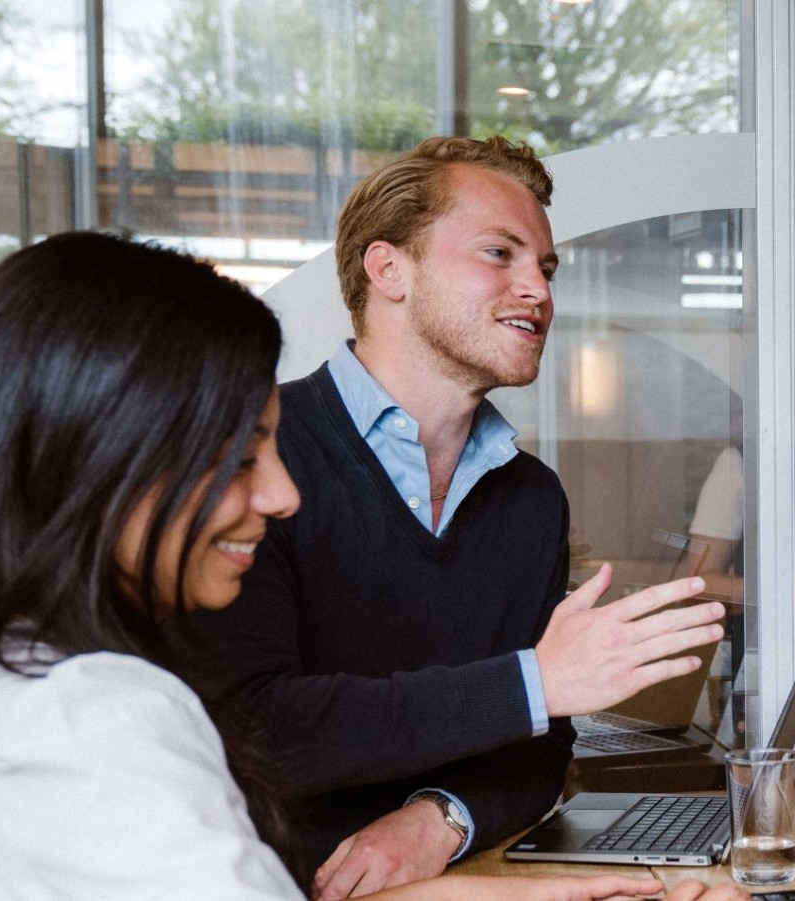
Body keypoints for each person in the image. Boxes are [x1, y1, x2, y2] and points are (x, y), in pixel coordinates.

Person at [0, 233, 747, 901]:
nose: (282, 493)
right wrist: (532, 683)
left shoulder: (43, 683)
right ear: (102, 455)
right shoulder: (93, 716)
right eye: (241, 455)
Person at [168, 136, 727, 899]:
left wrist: (441, 817)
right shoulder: (254, 459)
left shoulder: (533, 498)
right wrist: (533, 681)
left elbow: (541, 744)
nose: (538, 287)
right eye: (500, 253)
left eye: (547, 267)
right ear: (388, 268)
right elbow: (254, 727)